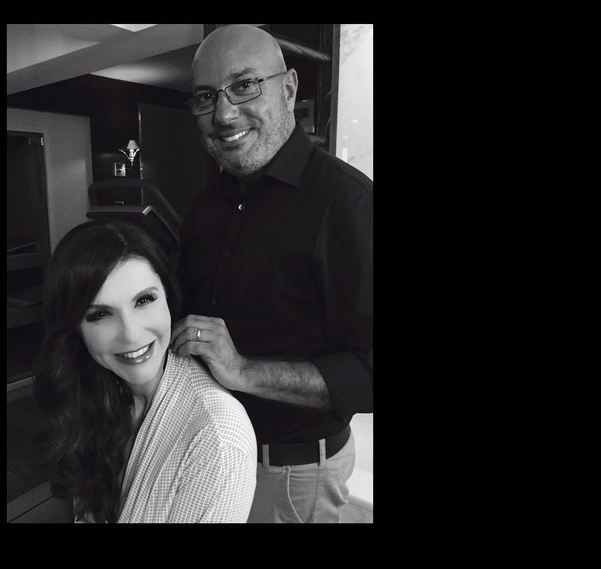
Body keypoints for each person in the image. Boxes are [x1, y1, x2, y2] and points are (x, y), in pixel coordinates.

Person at [171, 24, 373, 523]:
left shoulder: (348, 203)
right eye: (206, 97)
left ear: (289, 89)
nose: (223, 114)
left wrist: (244, 370)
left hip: (290, 473)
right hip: (208, 454)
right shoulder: (204, 207)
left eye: (244, 85)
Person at [33, 220, 257, 523]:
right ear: (75, 328)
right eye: (100, 314)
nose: (131, 334)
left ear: (168, 297)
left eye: (143, 300)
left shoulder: (216, 439)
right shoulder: (98, 388)